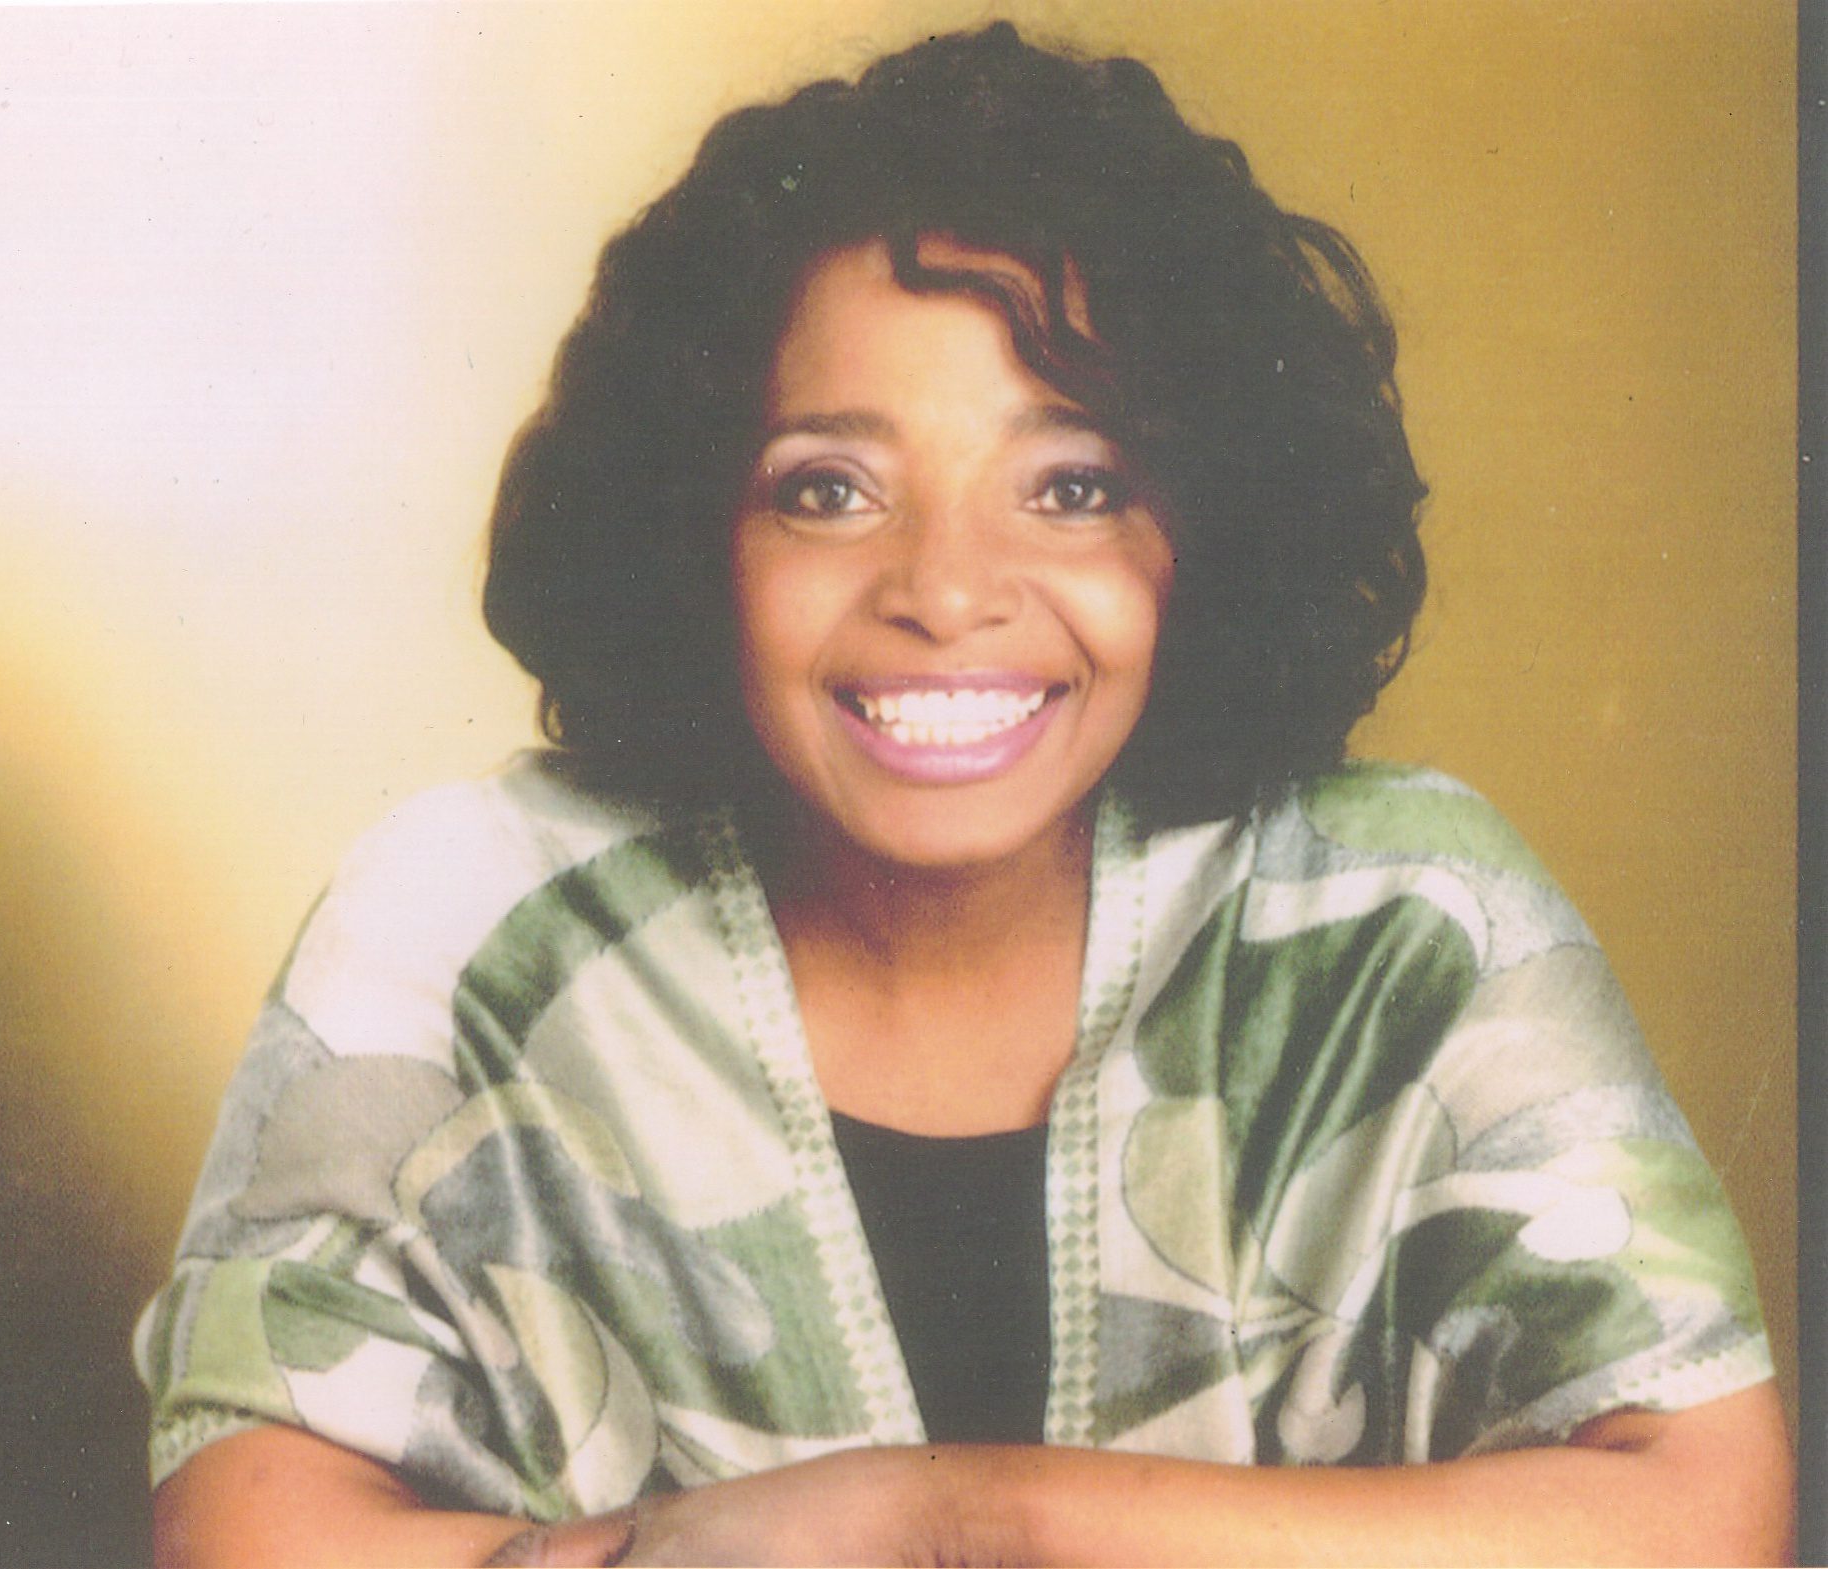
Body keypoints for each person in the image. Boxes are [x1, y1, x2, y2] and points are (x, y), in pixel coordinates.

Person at [137, 24, 1789, 1566]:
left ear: (1200, 530)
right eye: (828, 488)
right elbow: (246, 1521)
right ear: (696, 533)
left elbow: (1704, 1509)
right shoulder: (467, 919)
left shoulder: (1404, 915)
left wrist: (949, 1515)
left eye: (1072, 486)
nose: (947, 586)